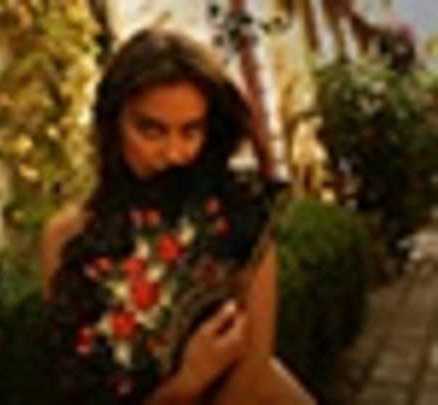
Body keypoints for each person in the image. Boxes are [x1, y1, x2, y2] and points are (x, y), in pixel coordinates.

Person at [40, 28, 315, 405]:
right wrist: (190, 379)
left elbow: (250, 376)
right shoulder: (67, 239)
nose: (174, 153)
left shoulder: (235, 214)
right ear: (112, 123)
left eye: (191, 131)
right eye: (151, 130)